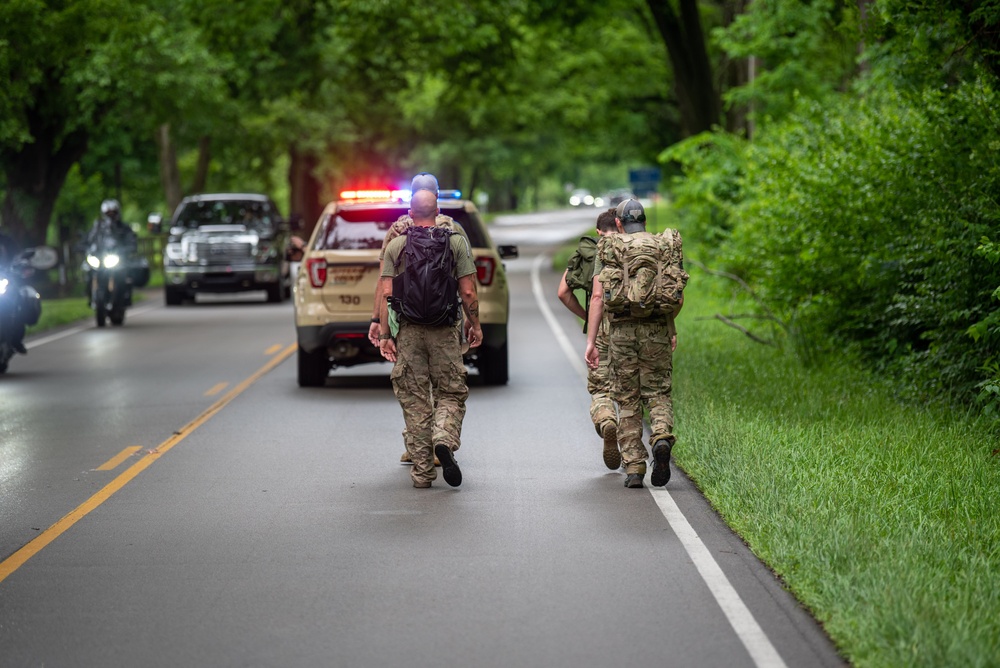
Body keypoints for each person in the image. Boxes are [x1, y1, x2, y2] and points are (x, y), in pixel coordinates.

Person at [378, 188, 482, 488]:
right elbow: (468, 292)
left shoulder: (397, 244)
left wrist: (385, 334)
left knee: (415, 399)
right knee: (450, 392)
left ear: (410, 214)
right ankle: (444, 437)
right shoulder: (456, 243)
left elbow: (386, 292)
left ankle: (423, 473)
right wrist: (475, 324)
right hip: (445, 331)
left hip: (409, 331)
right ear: (438, 213)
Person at [584, 199, 684, 489]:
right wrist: (669, 325)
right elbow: (677, 298)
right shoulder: (664, 246)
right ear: (644, 221)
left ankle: (635, 467)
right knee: (658, 392)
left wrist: (592, 341)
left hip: (621, 334)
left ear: (618, 223)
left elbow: (599, 297)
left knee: (626, 398)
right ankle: (662, 436)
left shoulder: (610, 248)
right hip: (656, 332)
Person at [557, 208, 621, 469]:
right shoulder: (634, 248)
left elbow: (562, 292)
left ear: (598, 232)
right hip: (635, 328)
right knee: (630, 393)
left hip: (603, 330)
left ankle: (606, 421)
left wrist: (588, 318)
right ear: (621, 226)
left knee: (601, 389)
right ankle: (634, 459)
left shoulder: (591, 252)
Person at [84, 199, 138, 305]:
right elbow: (88, 239)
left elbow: (131, 239)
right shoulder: (98, 227)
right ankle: (90, 296)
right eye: (108, 213)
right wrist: (83, 246)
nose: (111, 216)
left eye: (113, 213)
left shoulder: (123, 227)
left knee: (125, 275)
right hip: (100, 258)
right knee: (88, 272)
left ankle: (124, 297)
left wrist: (129, 247)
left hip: (118, 258)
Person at [0, 229, 27, 354]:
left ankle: (16, 339)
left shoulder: (6, 240)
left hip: (5, 277)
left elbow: (18, 255)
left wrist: (20, 263)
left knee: (18, 303)